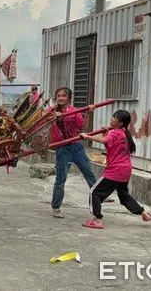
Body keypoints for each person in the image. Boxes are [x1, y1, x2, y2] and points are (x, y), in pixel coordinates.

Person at [81, 110, 151, 229]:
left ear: (120, 123)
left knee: (94, 192)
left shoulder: (115, 133)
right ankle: (143, 213)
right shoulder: (124, 133)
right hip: (125, 170)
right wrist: (106, 133)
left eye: (114, 117)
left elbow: (104, 141)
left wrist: (87, 136)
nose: (112, 118)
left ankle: (97, 220)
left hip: (115, 170)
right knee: (124, 196)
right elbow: (110, 145)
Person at [48, 87, 102, 219]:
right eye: (58, 96)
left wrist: (89, 113)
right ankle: (56, 207)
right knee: (60, 180)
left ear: (68, 98)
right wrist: (56, 117)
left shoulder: (74, 111)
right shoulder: (52, 111)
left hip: (76, 146)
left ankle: (100, 196)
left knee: (89, 173)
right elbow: (46, 120)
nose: (60, 98)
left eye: (63, 96)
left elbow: (81, 127)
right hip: (62, 148)